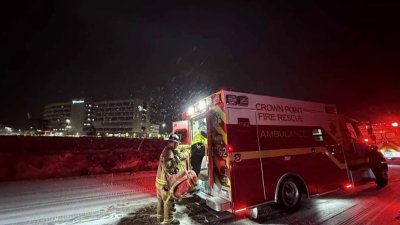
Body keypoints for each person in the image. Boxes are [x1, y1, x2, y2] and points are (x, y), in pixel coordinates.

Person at [155, 134, 181, 225]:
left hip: (159, 181)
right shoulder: (169, 152)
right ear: (172, 143)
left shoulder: (165, 150)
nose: (177, 145)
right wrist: (176, 169)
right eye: (176, 143)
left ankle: (160, 216)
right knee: (168, 201)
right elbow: (168, 167)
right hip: (164, 182)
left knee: (160, 200)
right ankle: (169, 220)